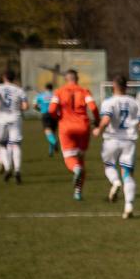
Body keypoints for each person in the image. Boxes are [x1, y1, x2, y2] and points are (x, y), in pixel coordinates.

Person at [93, 75, 140, 219]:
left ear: (113, 87)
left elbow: (106, 118)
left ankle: (115, 182)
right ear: (126, 87)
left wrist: (99, 128)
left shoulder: (109, 102)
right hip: (129, 142)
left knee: (109, 166)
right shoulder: (135, 103)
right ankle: (128, 205)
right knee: (128, 174)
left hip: (111, 140)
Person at [48, 69, 98, 200]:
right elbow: (93, 107)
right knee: (81, 159)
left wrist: (57, 116)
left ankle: (75, 170)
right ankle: (78, 192)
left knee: (70, 159)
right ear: (77, 79)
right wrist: (97, 120)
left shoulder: (58, 92)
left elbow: (51, 109)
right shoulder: (84, 91)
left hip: (66, 128)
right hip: (83, 127)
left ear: (66, 79)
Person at [0, 70, 27, 184]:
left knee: (1, 144)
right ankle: (17, 170)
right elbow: (25, 106)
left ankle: (8, 167)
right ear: (14, 78)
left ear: (4, 77)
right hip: (15, 118)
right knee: (15, 145)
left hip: (1, 119)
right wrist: (17, 108)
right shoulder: (19, 90)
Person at [34, 83, 59, 157]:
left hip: (46, 115)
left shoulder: (40, 95)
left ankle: (54, 143)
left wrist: (40, 109)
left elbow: (35, 106)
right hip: (54, 115)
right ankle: (50, 152)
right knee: (52, 133)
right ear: (52, 88)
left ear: (45, 88)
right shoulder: (55, 95)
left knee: (48, 132)